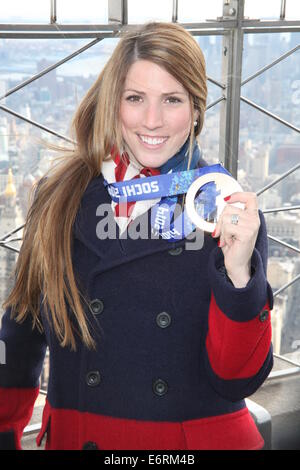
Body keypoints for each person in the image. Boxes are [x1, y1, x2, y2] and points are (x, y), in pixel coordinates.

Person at [0, 22, 273, 450]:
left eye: (172, 100)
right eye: (135, 98)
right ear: (114, 104)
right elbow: (16, 339)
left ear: (197, 110)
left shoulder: (226, 208)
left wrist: (239, 277)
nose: (152, 120)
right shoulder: (57, 198)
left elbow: (237, 378)